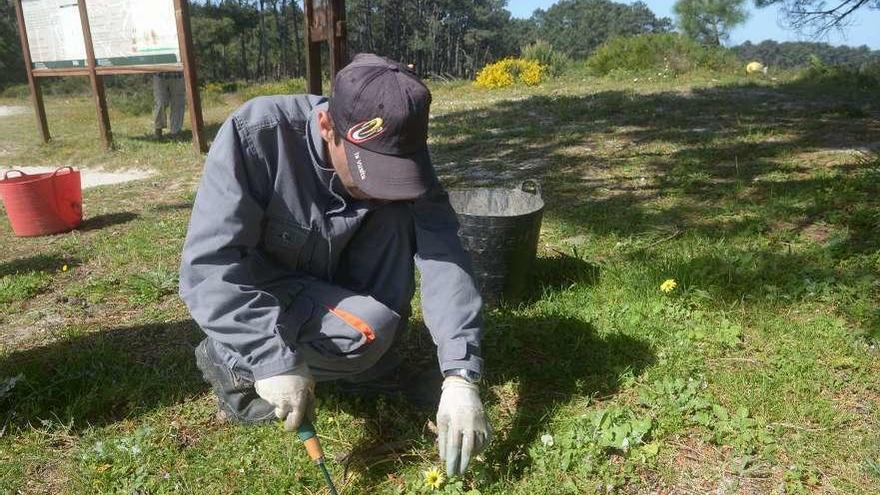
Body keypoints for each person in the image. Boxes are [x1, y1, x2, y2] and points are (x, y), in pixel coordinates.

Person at [179, 54, 491, 477]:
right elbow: (209, 267)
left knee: (401, 216)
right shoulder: (257, 135)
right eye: (369, 174)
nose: (379, 190)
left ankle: (370, 365)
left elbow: (445, 255)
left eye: (395, 173)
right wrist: (270, 356)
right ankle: (231, 361)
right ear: (328, 127)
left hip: (331, 283)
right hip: (267, 290)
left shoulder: (401, 152)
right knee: (370, 330)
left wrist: (460, 374)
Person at [152, 71, 185, 137]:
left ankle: (175, 132)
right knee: (160, 102)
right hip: (159, 75)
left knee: (178, 104)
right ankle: (158, 129)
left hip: (178, 75)